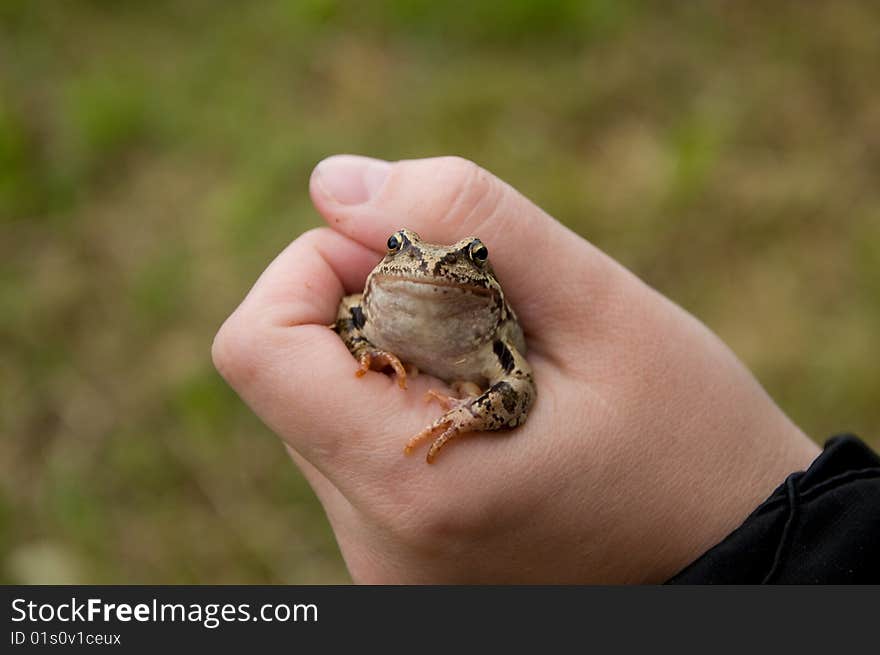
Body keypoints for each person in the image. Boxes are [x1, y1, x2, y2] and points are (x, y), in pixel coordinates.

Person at [211, 155, 879, 583]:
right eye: (402, 250)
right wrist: (365, 350)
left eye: (470, 257)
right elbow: (348, 321)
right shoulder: (369, 308)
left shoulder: (490, 337)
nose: (435, 267)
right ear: (389, 262)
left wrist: (466, 417)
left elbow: (519, 390)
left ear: (485, 275)